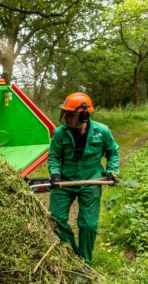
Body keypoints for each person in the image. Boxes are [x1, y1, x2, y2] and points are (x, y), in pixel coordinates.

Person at [48, 92, 120, 266]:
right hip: (64, 182)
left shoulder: (102, 131)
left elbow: (113, 152)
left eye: (70, 114)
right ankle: (73, 255)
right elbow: (53, 156)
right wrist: (55, 173)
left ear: (84, 115)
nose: (66, 117)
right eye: (64, 113)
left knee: (88, 224)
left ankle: (84, 263)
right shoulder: (60, 133)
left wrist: (111, 171)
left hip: (91, 181)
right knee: (54, 219)